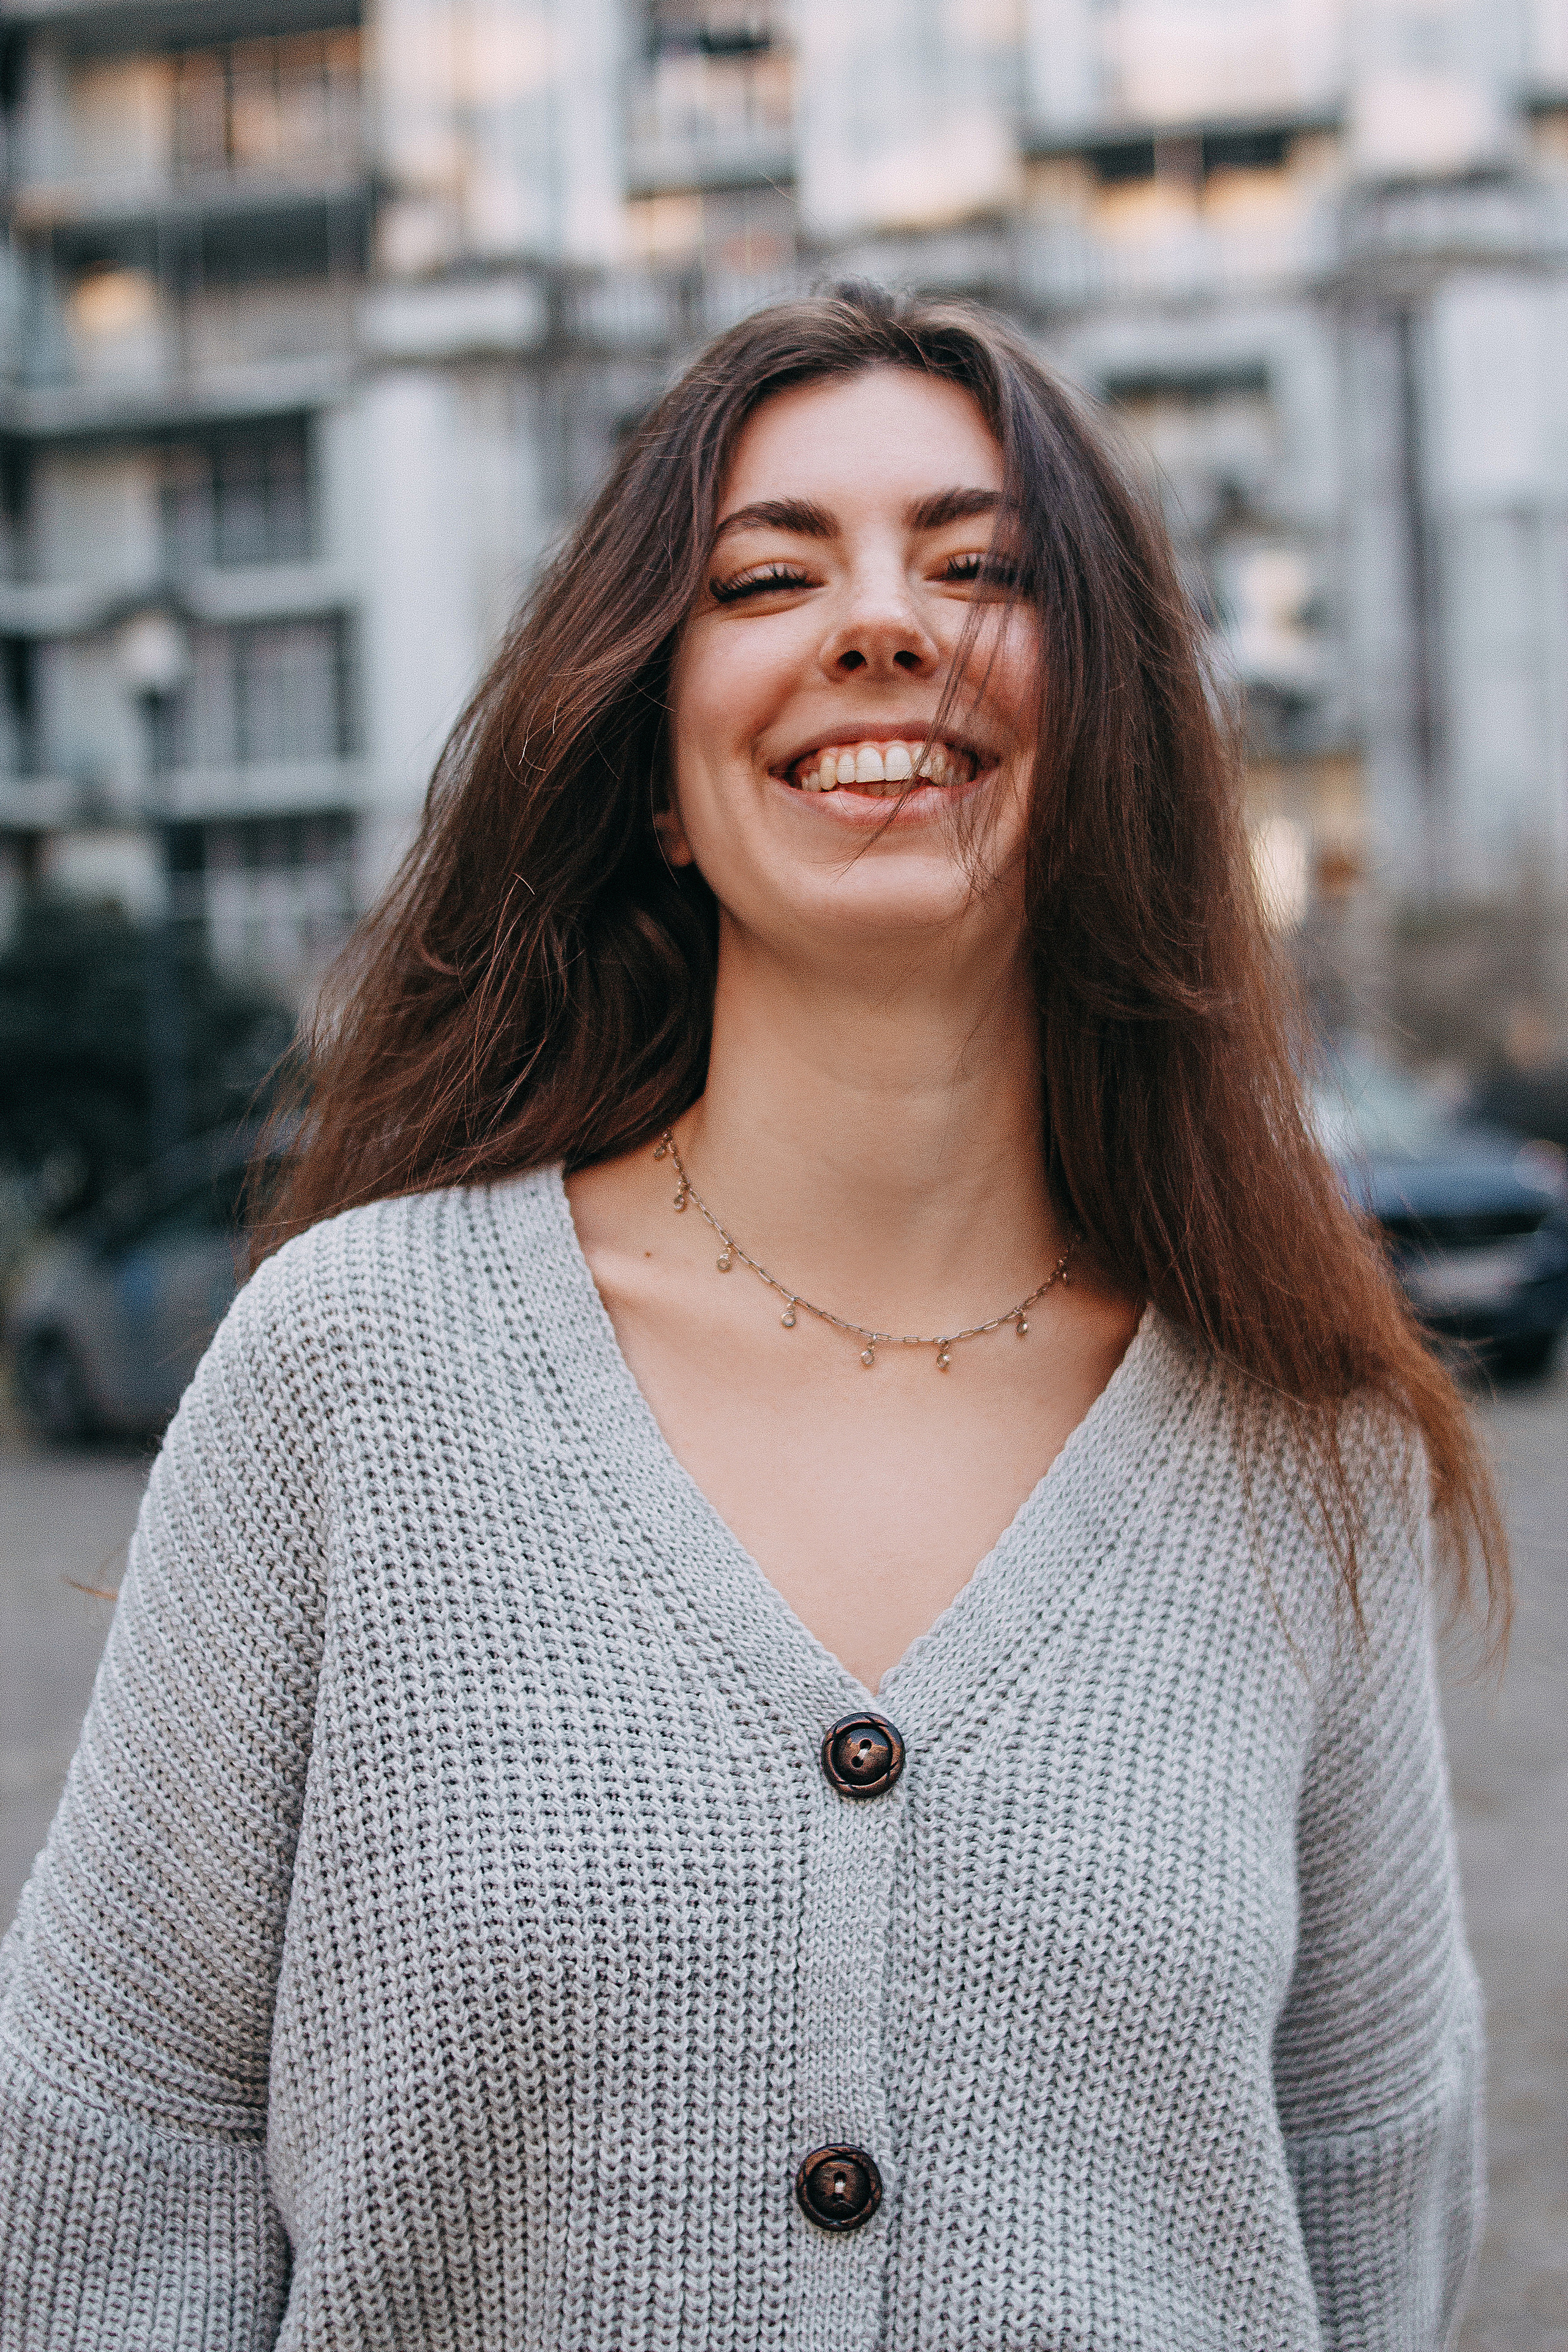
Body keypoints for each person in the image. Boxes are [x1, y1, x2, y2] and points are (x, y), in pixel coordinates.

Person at [0, 286, 1504, 2351]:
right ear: (656, 774)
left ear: (1117, 741)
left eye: (981, 569)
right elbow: (113, 2149)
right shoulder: (350, 1374)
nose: (880, 628)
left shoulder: (1298, 1449)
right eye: (767, 576)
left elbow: (1369, 2206)